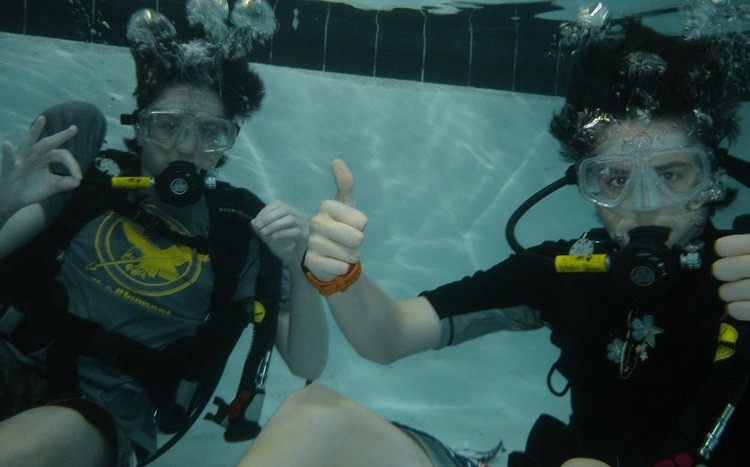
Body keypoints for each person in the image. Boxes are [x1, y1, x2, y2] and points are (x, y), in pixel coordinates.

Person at [238, 16, 750, 467]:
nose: (644, 204)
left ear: (713, 177)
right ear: (586, 185)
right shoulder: (564, 269)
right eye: (616, 180)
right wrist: (342, 276)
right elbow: (388, 336)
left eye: (672, 175)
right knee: (313, 417)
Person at [0, 1, 327, 466]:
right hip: (12, 363)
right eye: (168, 126)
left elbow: (308, 363)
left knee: (49, 435)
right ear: (141, 126)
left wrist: (299, 261)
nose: (187, 147)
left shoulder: (242, 230)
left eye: (209, 132)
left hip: (105, 421)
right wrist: (6, 203)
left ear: (226, 142)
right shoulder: (91, 183)